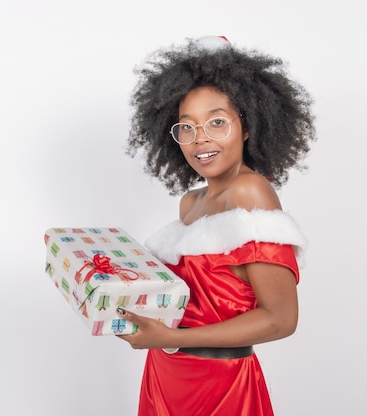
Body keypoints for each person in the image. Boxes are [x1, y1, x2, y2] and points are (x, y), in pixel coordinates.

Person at [116, 36, 316, 416]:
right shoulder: (189, 203)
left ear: (248, 125)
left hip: (221, 385)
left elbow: (281, 318)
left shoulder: (251, 192)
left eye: (217, 122)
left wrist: (173, 337)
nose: (200, 139)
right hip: (164, 374)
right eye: (186, 127)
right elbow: (187, 302)